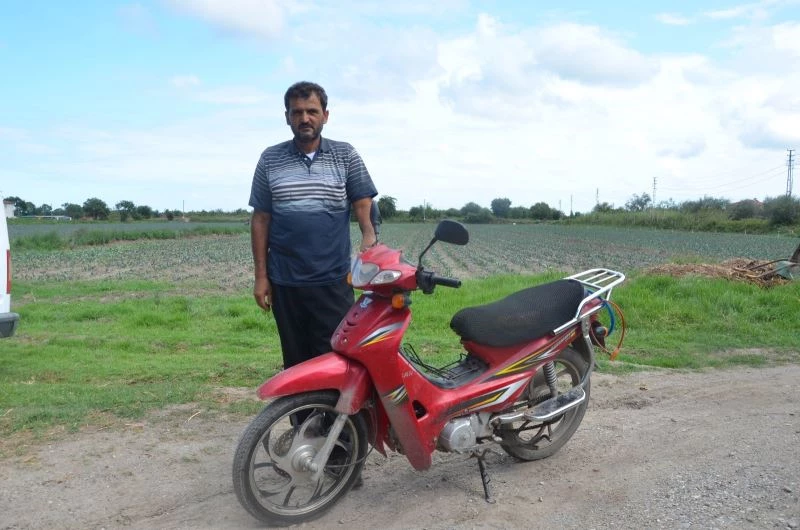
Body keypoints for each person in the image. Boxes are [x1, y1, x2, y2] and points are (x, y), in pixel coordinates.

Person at [249, 81, 378, 370]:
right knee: (296, 361)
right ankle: (303, 404)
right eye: (297, 112)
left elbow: (362, 202)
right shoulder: (270, 159)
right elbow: (261, 218)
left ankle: (334, 404)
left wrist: (368, 236)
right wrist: (261, 277)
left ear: (325, 116)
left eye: (312, 111)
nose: (304, 118)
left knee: (335, 359)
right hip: (285, 280)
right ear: (287, 117)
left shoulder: (345, 155)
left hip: (333, 279)